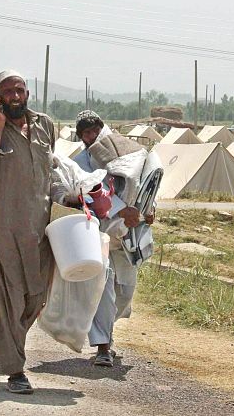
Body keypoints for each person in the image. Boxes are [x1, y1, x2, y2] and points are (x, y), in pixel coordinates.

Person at [0, 69, 55, 394]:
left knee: (35, 299)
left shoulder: (44, 124)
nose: (14, 96)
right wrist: (0, 126)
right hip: (6, 231)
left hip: (41, 231)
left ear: (27, 94)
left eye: (19, 90)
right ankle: (15, 369)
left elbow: (51, 168)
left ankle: (9, 340)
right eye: (8, 92)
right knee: (8, 303)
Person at [71, 111, 154, 367]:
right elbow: (87, 189)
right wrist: (119, 209)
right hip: (99, 230)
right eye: (86, 133)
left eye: (94, 131)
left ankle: (108, 331)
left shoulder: (127, 152)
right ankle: (103, 346)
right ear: (80, 136)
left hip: (129, 233)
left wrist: (149, 209)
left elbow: (146, 182)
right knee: (103, 287)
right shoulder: (80, 161)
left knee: (125, 291)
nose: (91, 137)